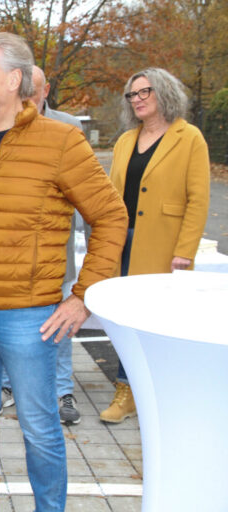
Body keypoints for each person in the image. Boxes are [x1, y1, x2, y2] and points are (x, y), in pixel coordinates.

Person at [0, 32, 128, 511]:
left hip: (30, 318)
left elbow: (110, 217)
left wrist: (83, 296)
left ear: (14, 79)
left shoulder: (62, 142)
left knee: (39, 428)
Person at [100, 67, 210, 423]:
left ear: (164, 92)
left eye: (144, 91)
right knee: (125, 318)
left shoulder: (189, 138)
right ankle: (127, 391)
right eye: (132, 94)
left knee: (158, 321)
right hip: (123, 243)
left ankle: (159, 392)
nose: (137, 99)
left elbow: (198, 199)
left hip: (164, 246)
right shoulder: (124, 141)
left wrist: (185, 251)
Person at [0, 65, 86, 425]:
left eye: (32, 92)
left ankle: (61, 391)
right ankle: (8, 386)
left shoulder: (69, 128)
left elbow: (88, 194)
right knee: (10, 324)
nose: (26, 100)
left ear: (46, 90)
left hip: (54, 251)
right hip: (11, 254)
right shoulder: (2, 123)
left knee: (59, 326)